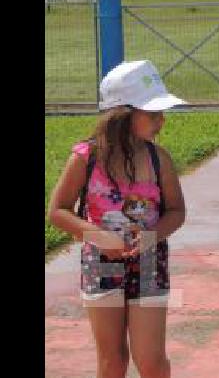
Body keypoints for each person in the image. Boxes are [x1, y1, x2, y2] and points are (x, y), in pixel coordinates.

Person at [48, 60, 187, 378]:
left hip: (149, 261)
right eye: (152, 114)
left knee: (151, 361)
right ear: (122, 115)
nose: (161, 121)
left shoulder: (158, 159)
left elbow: (176, 211)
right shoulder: (86, 158)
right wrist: (98, 237)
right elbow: (58, 211)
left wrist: (153, 235)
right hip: (101, 263)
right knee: (112, 361)